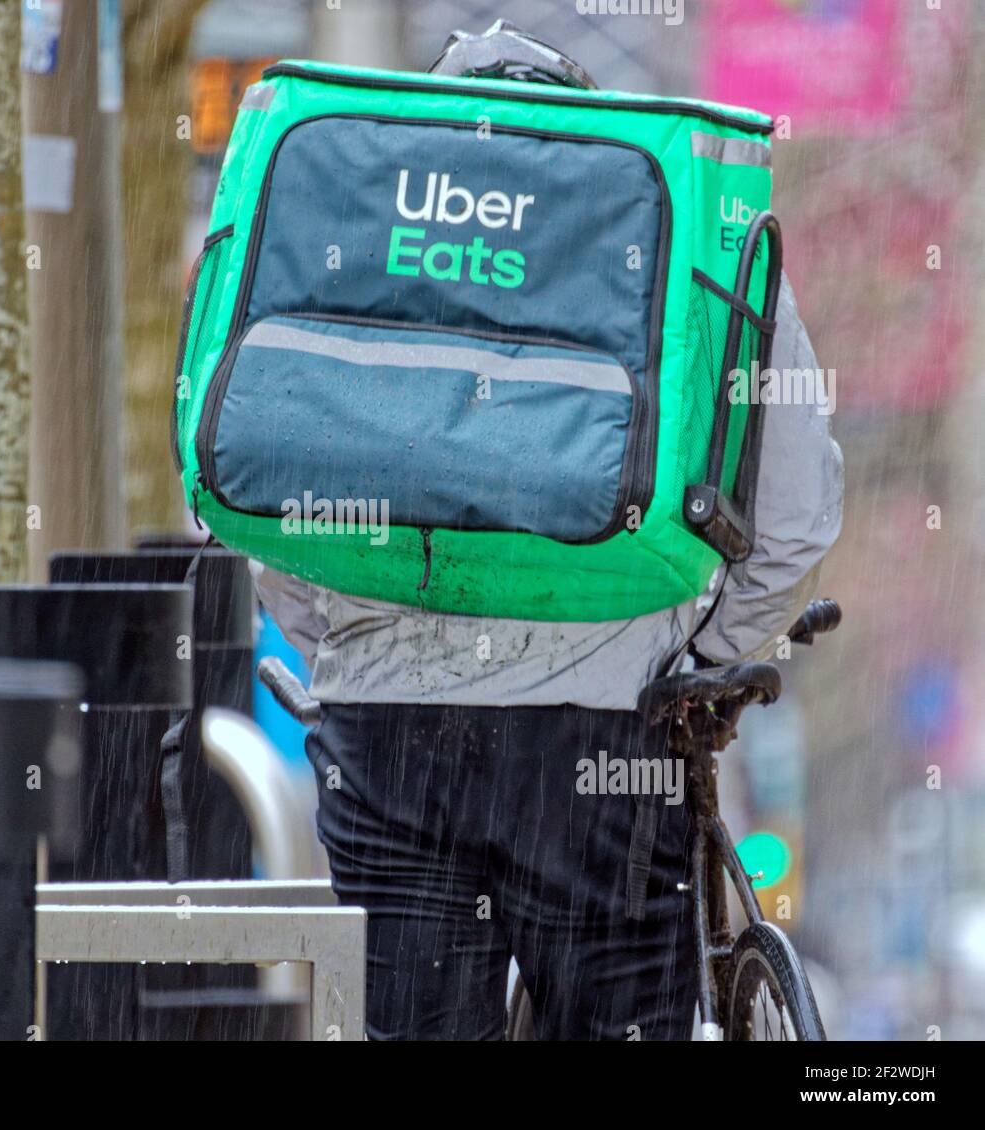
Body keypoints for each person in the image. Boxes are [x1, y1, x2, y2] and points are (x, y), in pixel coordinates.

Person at [251, 26, 844, 1040]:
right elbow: (791, 517)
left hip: (387, 735)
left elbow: (273, 487)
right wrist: (693, 655)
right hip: (602, 733)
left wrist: (351, 643)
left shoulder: (358, 211)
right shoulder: (684, 215)